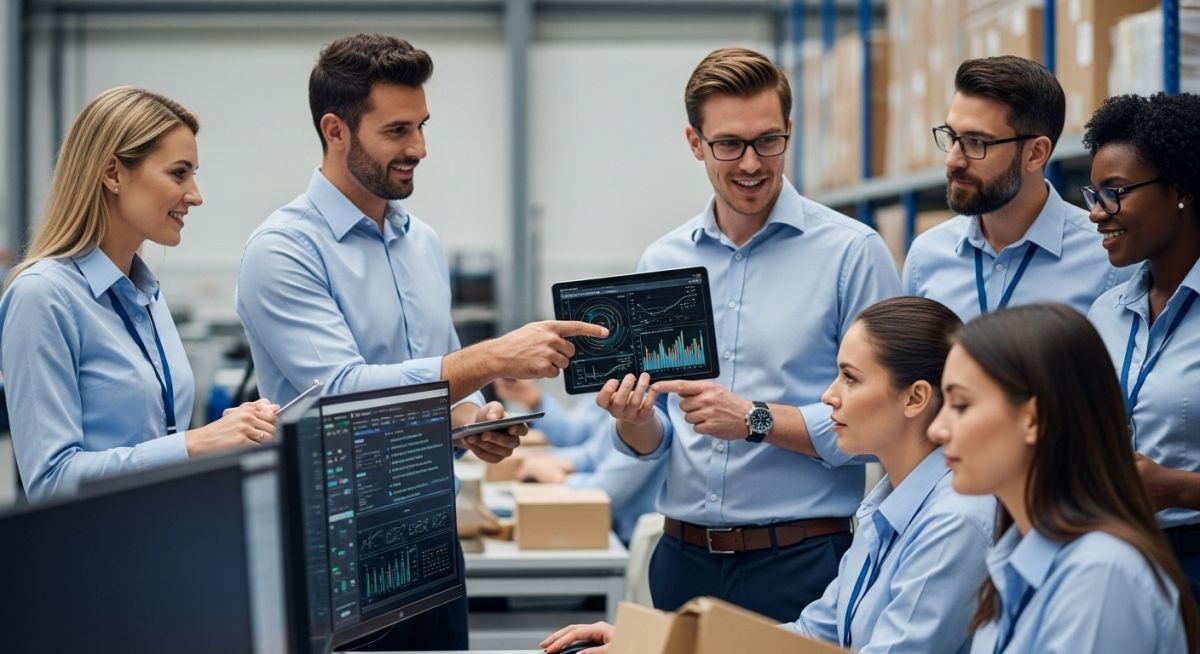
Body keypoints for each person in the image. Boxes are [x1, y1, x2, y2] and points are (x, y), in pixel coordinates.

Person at [233, 34, 606, 651]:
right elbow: (340, 396)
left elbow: (436, 389)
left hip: (434, 547)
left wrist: (472, 421)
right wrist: (492, 356)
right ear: (336, 130)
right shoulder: (283, 252)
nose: (420, 149)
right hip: (338, 562)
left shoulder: (422, 243)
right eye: (398, 130)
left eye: (423, 126)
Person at [591, 47, 901, 623]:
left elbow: (883, 423)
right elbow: (655, 442)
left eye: (767, 141)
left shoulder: (852, 255)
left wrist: (755, 420)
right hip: (681, 561)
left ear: (789, 130)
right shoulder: (662, 261)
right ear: (694, 143)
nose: (751, 163)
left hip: (803, 564)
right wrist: (634, 421)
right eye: (728, 144)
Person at [541, 297, 994, 654]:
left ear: (915, 398)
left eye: (850, 379)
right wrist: (648, 646)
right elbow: (812, 634)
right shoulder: (887, 502)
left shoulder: (952, 522)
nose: (828, 396)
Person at [0, 87, 278, 502]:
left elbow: (157, 440)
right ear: (113, 174)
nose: (195, 195)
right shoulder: (43, 297)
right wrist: (194, 444)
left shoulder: (144, 292)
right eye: (179, 173)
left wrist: (225, 433)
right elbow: (51, 481)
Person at [928, 303, 1195, 653]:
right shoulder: (1019, 556)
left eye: (960, 405)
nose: (937, 429)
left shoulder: (1099, 576)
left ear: (1034, 419)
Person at [1082, 92, 1200, 604]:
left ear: (1179, 189)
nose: (1096, 214)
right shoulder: (1105, 314)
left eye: (1116, 192)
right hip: (1110, 556)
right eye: (1093, 195)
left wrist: (1176, 488)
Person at [903, 56, 1127, 320]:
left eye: (976, 142)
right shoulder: (926, 257)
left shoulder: (1108, 261)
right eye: (951, 136)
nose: (952, 159)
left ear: (1035, 153)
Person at [495, 378, 665, 545]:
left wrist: (557, 478)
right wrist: (557, 461)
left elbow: (608, 491)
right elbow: (591, 449)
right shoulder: (619, 386)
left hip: (626, 538)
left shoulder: (648, 404)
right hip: (610, 528)